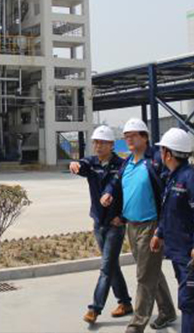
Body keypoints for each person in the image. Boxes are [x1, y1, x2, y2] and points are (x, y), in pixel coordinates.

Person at [104, 118, 177, 333]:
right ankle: (167, 311)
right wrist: (109, 196)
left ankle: (136, 325)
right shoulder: (127, 162)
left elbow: (169, 189)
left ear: (145, 137)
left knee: (144, 275)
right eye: (126, 136)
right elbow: (116, 184)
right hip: (131, 225)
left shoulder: (155, 160)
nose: (128, 139)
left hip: (150, 225)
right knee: (151, 271)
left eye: (133, 135)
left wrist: (163, 228)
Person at [151, 128, 194, 333]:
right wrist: (159, 233)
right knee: (193, 298)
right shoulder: (172, 177)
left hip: (192, 254)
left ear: (168, 154)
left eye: (162, 150)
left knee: (188, 300)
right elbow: (169, 212)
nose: (160, 154)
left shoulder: (193, 179)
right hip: (179, 252)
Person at [69, 125, 133, 324]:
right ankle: (125, 302)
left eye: (102, 143)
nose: (98, 146)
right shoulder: (92, 163)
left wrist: (122, 217)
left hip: (115, 224)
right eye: (95, 142)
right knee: (112, 265)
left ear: (111, 145)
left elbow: (129, 193)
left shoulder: (121, 165)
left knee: (106, 267)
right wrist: (75, 164)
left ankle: (95, 309)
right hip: (99, 222)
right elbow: (82, 165)